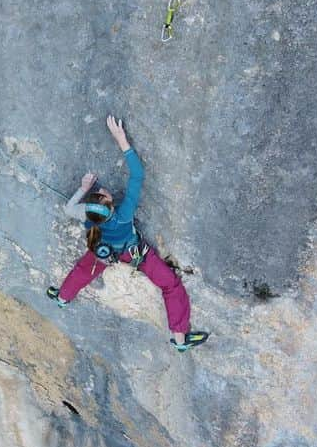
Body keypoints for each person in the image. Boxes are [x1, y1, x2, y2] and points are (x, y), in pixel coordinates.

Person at [46, 116, 209, 352]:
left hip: (104, 251)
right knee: (171, 286)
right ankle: (180, 339)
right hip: (136, 254)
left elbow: (69, 208)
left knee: (83, 270)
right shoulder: (123, 213)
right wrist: (122, 141)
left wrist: (83, 188)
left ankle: (62, 298)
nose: (103, 189)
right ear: (110, 205)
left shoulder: (88, 216)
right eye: (103, 194)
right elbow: (137, 176)